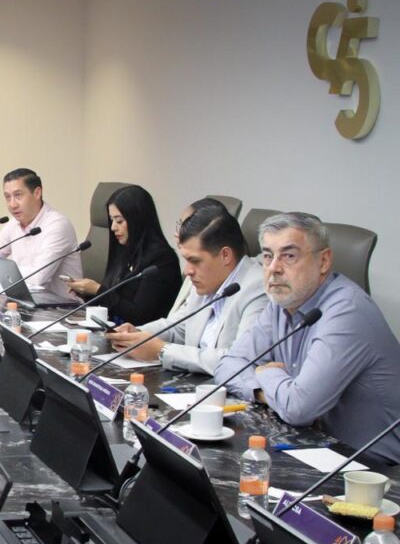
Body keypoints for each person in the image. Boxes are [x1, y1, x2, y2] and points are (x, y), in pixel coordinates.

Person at [214, 212, 400, 464]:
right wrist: (261, 391)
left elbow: (298, 409)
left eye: (289, 256)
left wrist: (267, 373)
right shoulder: (281, 301)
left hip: (373, 469)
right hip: (313, 448)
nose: (274, 268)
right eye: (268, 256)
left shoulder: (347, 311)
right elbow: (228, 365)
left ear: (323, 261)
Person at [105, 206, 267, 375]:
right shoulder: (208, 280)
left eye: (194, 261)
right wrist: (137, 334)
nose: (187, 271)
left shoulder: (258, 289)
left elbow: (239, 361)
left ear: (225, 255)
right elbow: (180, 328)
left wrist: (162, 350)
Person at [67, 185, 180, 324]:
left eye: (119, 221)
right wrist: (86, 293)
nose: (113, 227)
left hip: (141, 334)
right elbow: (113, 302)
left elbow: (139, 315)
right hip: (111, 329)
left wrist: (98, 291)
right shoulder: (123, 251)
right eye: (112, 220)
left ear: (137, 219)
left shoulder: (162, 260)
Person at [0, 168, 82, 304]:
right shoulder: (14, 224)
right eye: (8, 197)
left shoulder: (57, 225)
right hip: (25, 303)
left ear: (37, 193)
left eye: (18, 195)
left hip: (63, 309)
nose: (12, 204)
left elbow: (38, 277)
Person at [169, 197, 232, 312]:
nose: (177, 233)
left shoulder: (209, 277)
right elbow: (181, 318)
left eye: (185, 227)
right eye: (180, 225)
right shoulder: (199, 272)